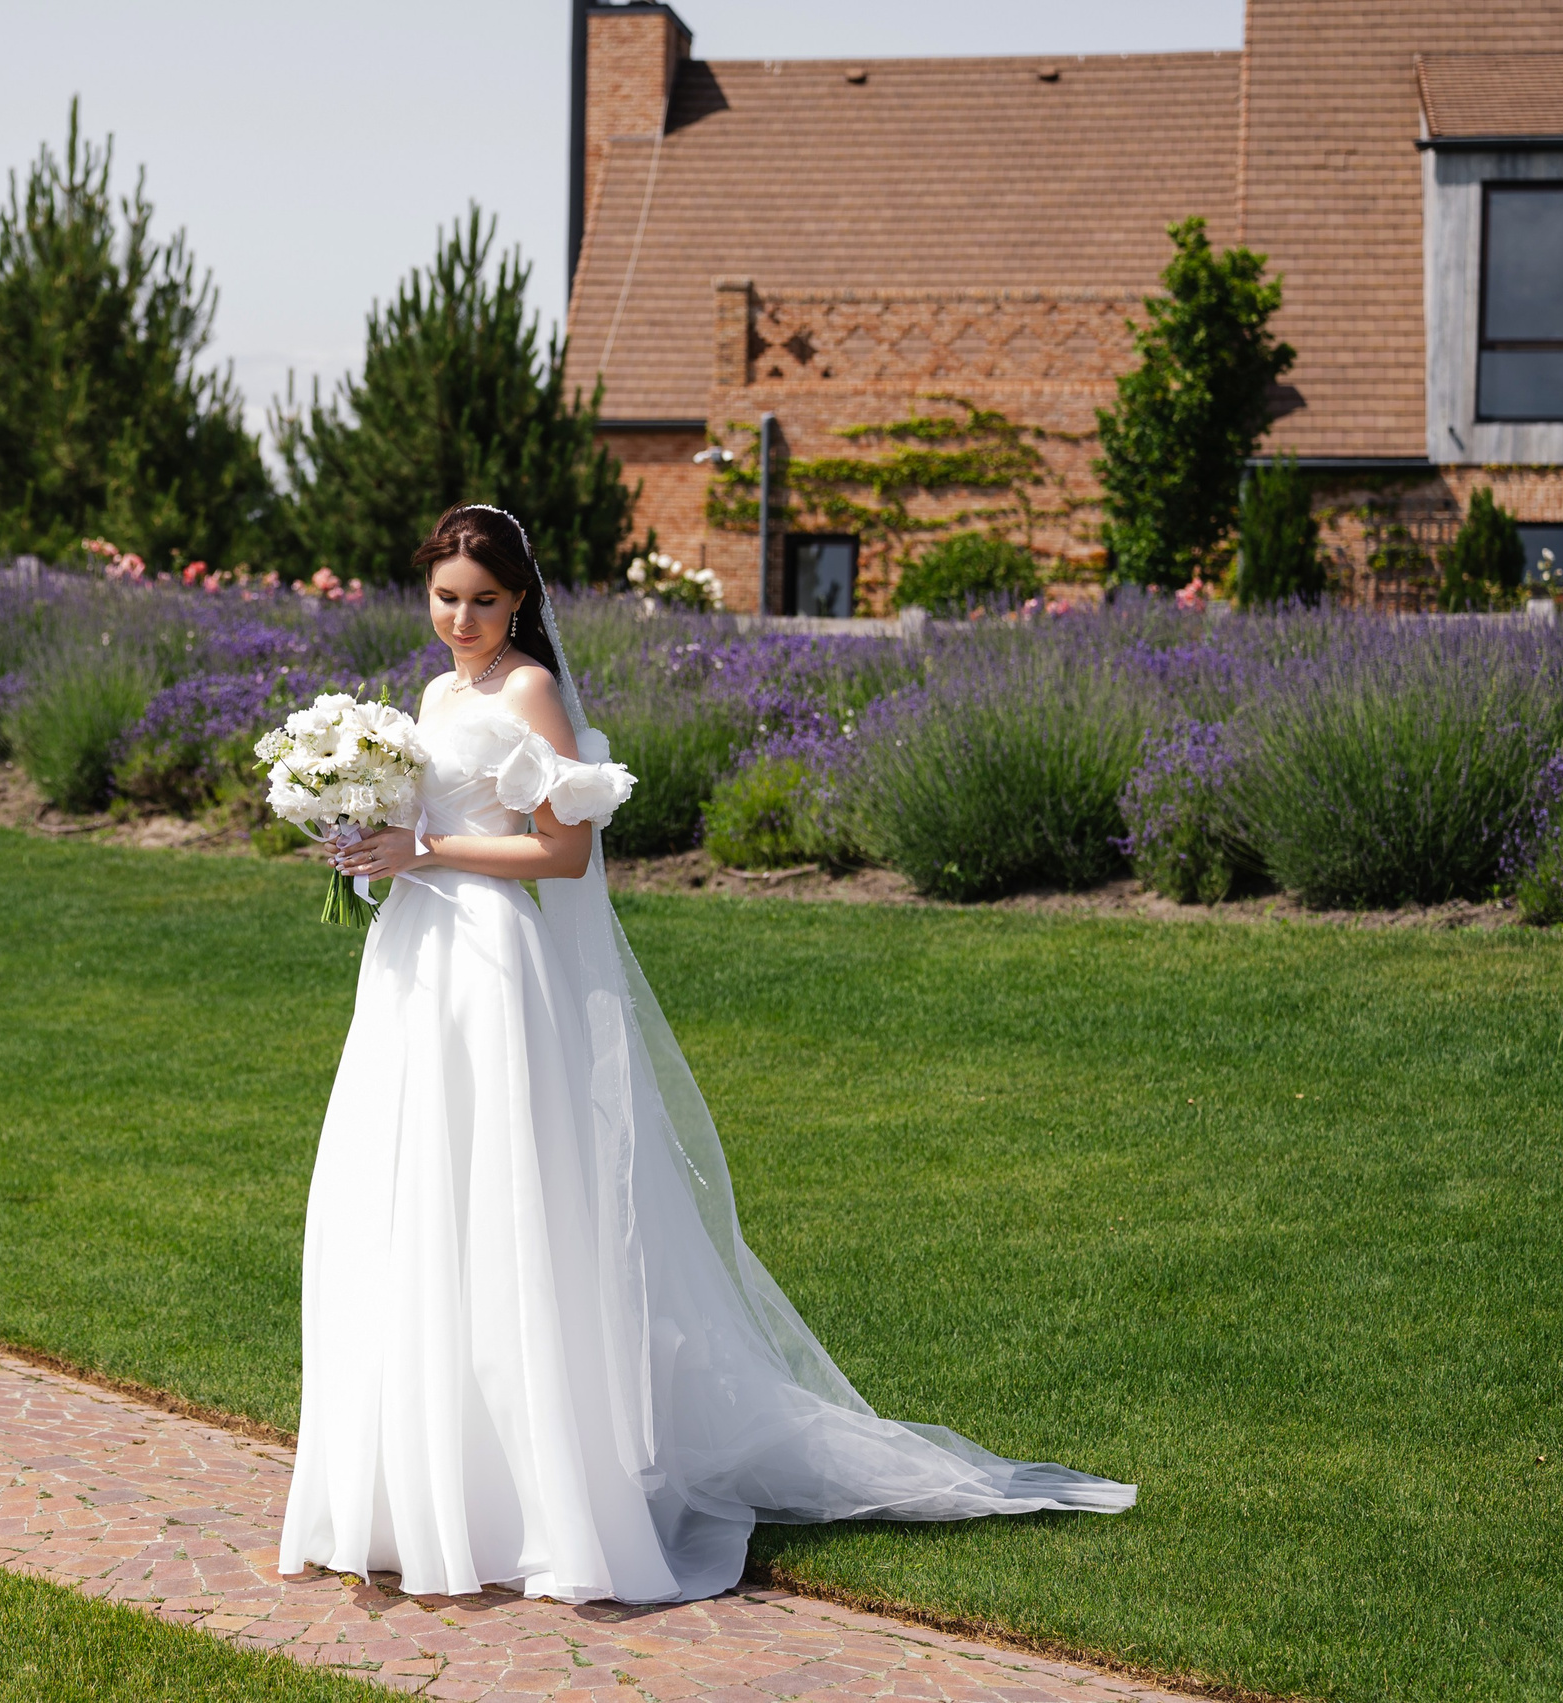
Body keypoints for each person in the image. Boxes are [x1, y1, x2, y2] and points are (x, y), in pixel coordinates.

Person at [276, 505, 1134, 1605]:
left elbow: (562, 849)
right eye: (445, 596)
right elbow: (431, 816)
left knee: (500, 1199)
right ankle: (414, 1488)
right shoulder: (437, 694)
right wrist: (368, 846)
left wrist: (428, 845)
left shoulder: (529, 690)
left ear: (520, 599)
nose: (461, 619)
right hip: (414, 965)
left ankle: (525, 1499)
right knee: (414, 1197)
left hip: (493, 968)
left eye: (483, 599)